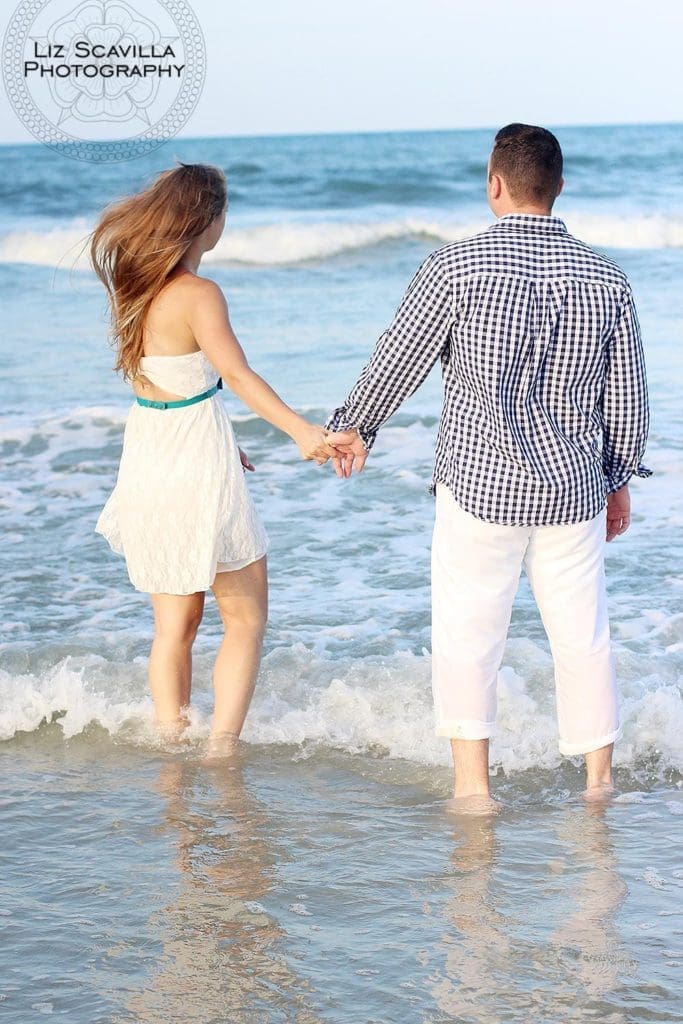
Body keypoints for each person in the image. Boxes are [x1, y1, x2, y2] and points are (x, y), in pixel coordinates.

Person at [326, 124, 651, 812]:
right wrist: (617, 478)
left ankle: (474, 790)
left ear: (494, 184)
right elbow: (625, 396)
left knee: (468, 634)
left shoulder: (455, 266)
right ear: (558, 188)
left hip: (478, 485)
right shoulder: (604, 277)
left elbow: (400, 356)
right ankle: (599, 783)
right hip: (572, 488)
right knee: (582, 637)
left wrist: (355, 425)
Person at [92, 162, 338, 755]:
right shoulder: (199, 294)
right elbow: (237, 374)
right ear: (210, 221)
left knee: (174, 626)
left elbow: (171, 384)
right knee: (246, 619)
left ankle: (172, 742)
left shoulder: (137, 286)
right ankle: (222, 746)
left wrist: (222, 439)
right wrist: (302, 431)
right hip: (193, 466)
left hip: (151, 455)